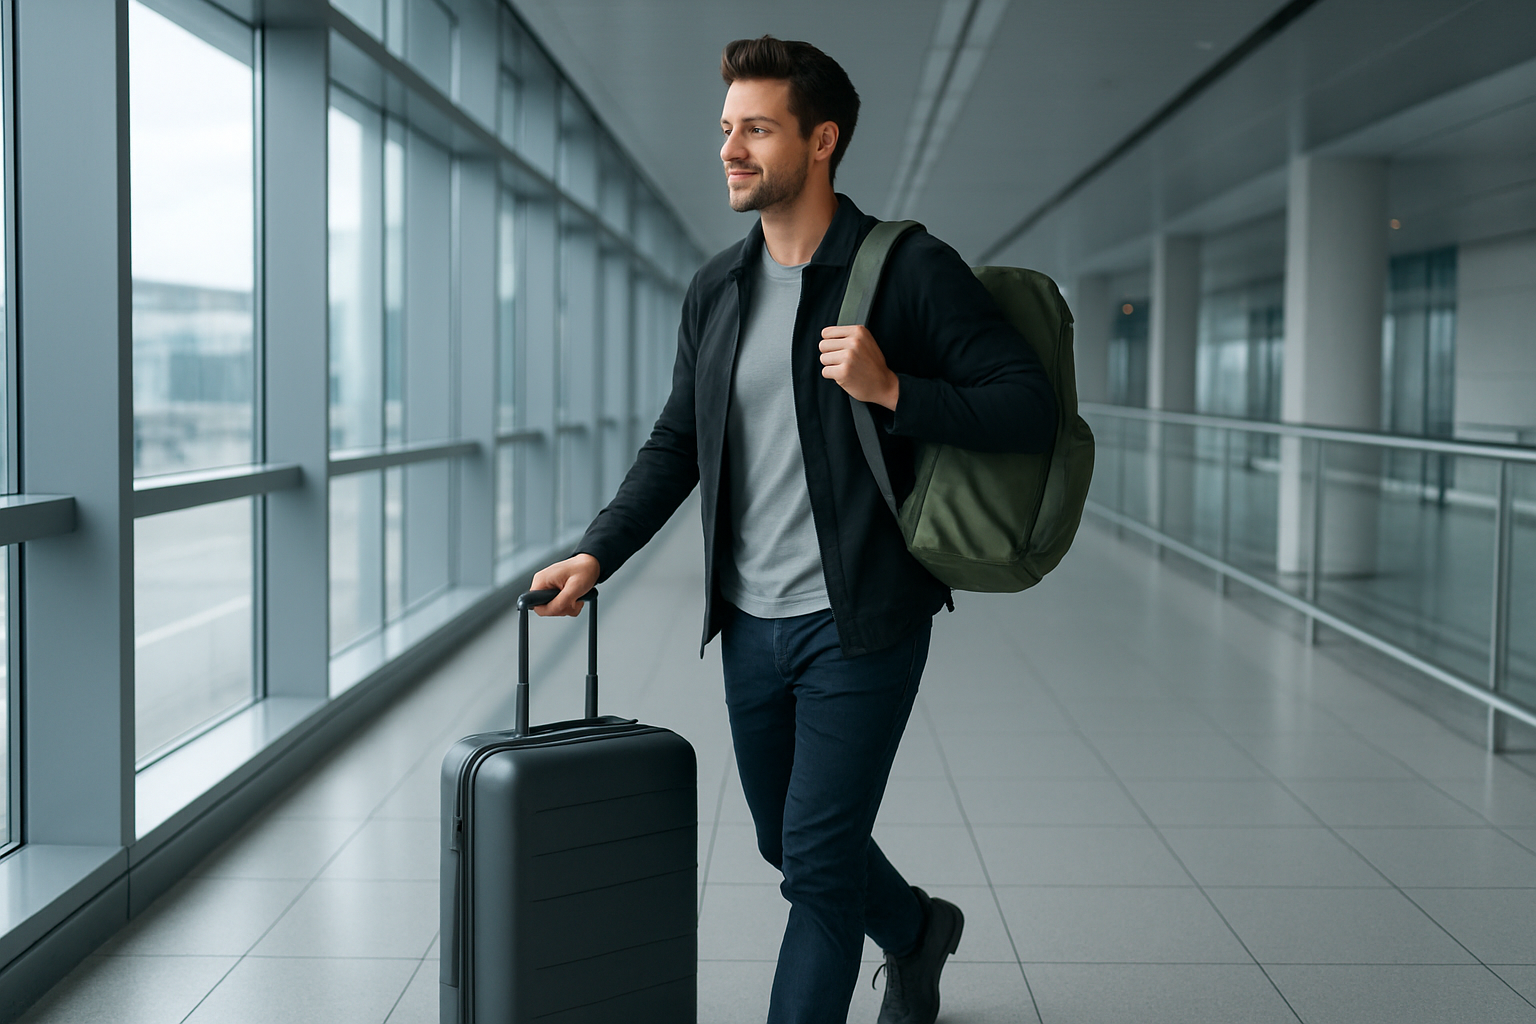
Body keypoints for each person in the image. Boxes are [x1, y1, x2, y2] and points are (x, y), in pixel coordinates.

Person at [530, 34, 1056, 1024]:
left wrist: (895, 387)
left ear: (823, 141)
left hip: (862, 619)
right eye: (727, 129)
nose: (730, 149)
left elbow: (1027, 406)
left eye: (756, 129)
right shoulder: (716, 292)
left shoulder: (906, 269)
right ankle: (914, 929)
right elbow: (677, 444)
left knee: (814, 874)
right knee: (788, 838)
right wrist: (600, 550)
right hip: (749, 623)